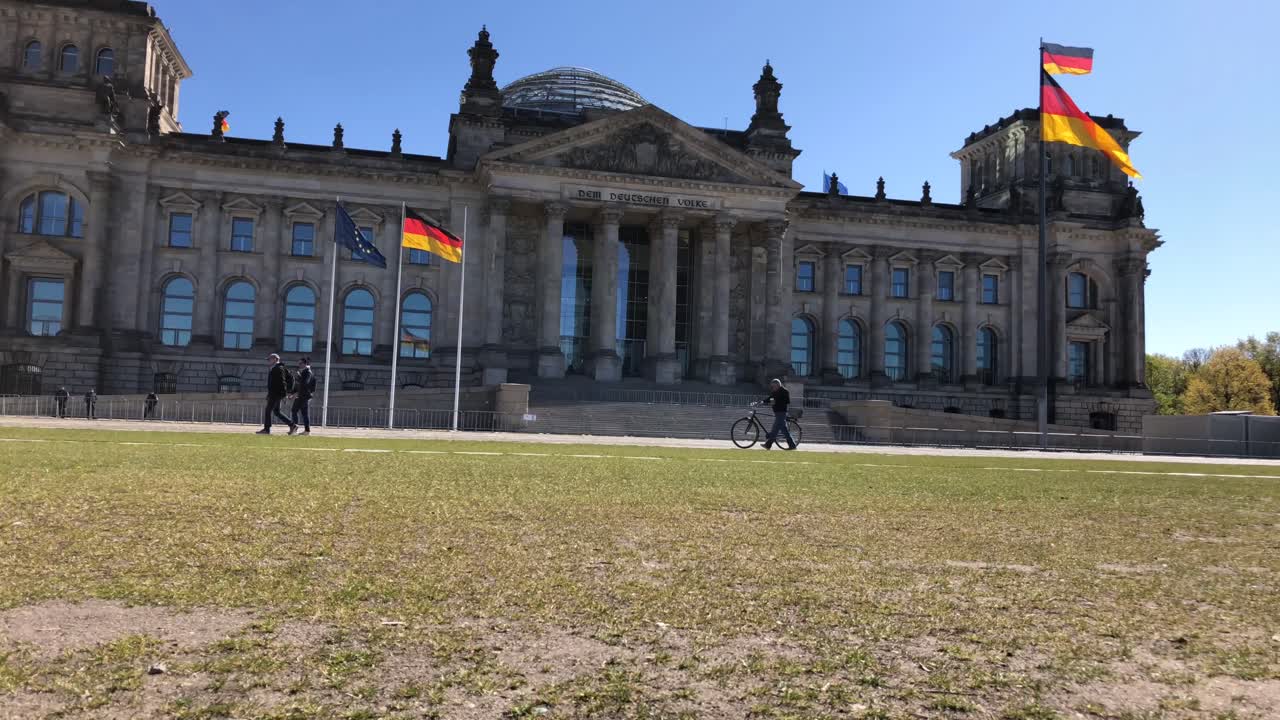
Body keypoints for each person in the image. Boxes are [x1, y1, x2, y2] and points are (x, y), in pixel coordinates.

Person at [256, 353, 295, 435]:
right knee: (276, 412)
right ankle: (292, 425)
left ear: (275, 359)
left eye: (269, 359)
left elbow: (282, 382)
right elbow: (289, 379)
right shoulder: (279, 368)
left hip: (276, 394)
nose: (268, 361)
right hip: (275, 393)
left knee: (268, 410)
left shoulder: (278, 368)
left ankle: (267, 429)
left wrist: (285, 394)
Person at [761, 378, 796, 450]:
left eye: (774, 386)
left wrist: (775, 401)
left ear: (778, 384)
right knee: (783, 431)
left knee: (775, 430)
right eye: (772, 386)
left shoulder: (785, 391)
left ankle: (768, 444)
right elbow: (770, 399)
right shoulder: (774, 392)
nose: (773, 387)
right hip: (777, 413)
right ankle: (792, 445)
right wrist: (762, 402)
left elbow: (787, 402)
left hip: (781, 413)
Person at [289, 357, 316, 436]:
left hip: (304, 396)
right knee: (297, 411)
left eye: (300, 363)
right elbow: (297, 385)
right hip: (301, 395)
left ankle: (302, 430)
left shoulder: (307, 372)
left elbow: (305, 384)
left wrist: (295, 394)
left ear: (305, 364)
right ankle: (299, 429)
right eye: (298, 363)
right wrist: (292, 393)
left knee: (302, 413)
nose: (299, 365)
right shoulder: (302, 372)